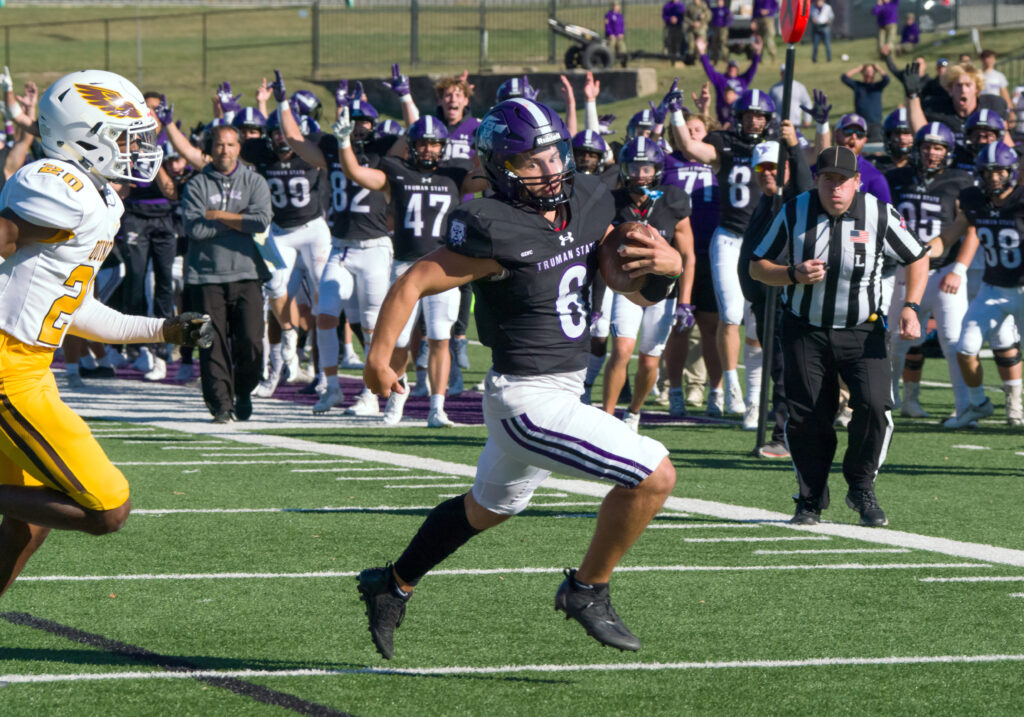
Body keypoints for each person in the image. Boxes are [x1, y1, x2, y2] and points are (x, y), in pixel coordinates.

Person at [353, 98, 681, 658]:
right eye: (530, 162)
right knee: (654, 476)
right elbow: (411, 282)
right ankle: (586, 589)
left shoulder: (587, 197)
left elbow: (630, 285)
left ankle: (392, 584)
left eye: (552, 154)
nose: (549, 169)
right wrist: (378, 360)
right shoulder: (491, 226)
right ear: (502, 169)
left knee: (487, 509)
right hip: (527, 399)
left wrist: (667, 273)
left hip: (565, 384)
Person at [0, 70, 212, 599]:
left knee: (31, 521)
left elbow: (78, 308)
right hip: (8, 366)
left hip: (27, 365)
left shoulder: (102, 200)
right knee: (106, 507)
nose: (138, 147)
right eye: (126, 135)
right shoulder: (58, 183)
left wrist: (164, 329)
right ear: (81, 135)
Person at [750, 145, 929, 527]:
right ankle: (810, 498)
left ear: (857, 183)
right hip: (804, 328)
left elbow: (917, 255)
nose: (835, 188)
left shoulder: (878, 213)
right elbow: (757, 266)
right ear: (816, 180)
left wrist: (911, 306)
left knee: (875, 405)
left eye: (843, 181)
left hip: (864, 328)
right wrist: (791, 274)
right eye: (827, 179)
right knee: (807, 416)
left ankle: (862, 486)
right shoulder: (794, 210)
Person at [334, 111, 486, 427]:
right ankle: (397, 397)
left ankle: (437, 408)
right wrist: (342, 143)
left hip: (445, 267)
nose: (429, 149)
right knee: (399, 341)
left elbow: (488, 176)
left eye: (434, 144)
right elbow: (356, 173)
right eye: (423, 143)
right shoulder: (396, 171)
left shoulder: (455, 174)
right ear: (412, 145)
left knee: (440, 339)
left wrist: (485, 146)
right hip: (405, 266)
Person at [279, 91, 393, 416]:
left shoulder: (380, 149)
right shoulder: (330, 147)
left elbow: (412, 139)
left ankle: (371, 395)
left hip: (374, 246)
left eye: (364, 122)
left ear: (373, 125)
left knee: (371, 325)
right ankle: (331, 388)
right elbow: (293, 138)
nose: (358, 129)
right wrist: (283, 103)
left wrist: (405, 98)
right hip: (340, 246)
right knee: (325, 315)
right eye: (353, 122)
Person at [670, 87, 775, 419]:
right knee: (730, 315)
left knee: (756, 323)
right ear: (739, 117)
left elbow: (813, 156)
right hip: (729, 238)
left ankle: (755, 400)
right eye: (749, 114)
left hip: (764, 241)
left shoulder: (776, 148)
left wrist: (820, 127)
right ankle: (732, 389)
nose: (754, 120)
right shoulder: (725, 145)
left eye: (760, 115)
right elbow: (688, 146)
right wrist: (676, 113)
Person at [181, 124, 273, 423]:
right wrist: (239, 220)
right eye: (220, 145)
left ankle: (244, 390)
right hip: (206, 276)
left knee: (251, 342)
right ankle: (221, 405)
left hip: (247, 272)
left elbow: (260, 221)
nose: (225, 150)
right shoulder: (196, 185)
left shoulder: (254, 181)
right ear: (212, 147)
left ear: (239, 147)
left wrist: (219, 215)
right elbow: (195, 229)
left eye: (231, 145)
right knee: (211, 345)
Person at [602, 137, 695, 429]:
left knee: (649, 361)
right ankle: (606, 416)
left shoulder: (673, 200)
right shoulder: (612, 202)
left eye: (646, 167)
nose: (640, 174)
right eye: (634, 167)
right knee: (621, 351)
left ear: (657, 169)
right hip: (626, 288)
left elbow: (688, 256)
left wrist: (685, 302)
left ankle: (633, 412)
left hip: (663, 290)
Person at [885, 122, 974, 420]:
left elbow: (967, 224)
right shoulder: (897, 178)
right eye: (925, 146)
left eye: (937, 147)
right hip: (906, 270)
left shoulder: (960, 181)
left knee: (953, 341)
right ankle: (889, 401)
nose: (931, 153)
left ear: (947, 151)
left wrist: (958, 266)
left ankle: (965, 407)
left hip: (944, 270)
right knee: (898, 339)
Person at [739, 123, 812, 454]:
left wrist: (794, 149)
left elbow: (804, 186)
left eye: (774, 167)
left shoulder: (793, 202)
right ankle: (788, 433)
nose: (767, 174)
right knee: (778, 371)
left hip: (784, 299)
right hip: (761, 301)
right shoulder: (764, 203)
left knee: (786, 372)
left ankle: (785, 438)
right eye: (762, 168)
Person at [943, 143, 1024, 428]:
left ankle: (1016, 406)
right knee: (964, 349)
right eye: (988, 172)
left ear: (1011, 171)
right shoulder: (974, 200)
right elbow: (953, 234)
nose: (993, 177)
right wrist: (920, 251)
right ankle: (978, 404)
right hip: (991, 289)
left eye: (999, 171)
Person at [697, 34, 763, 127]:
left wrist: (757, 52)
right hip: (723, 118)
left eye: (734, 67)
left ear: (737, 69)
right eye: (730, 67)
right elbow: (709, 69)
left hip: (739, 118)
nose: (732, 69)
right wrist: (702, 52)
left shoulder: (743, 80)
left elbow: (753, 68)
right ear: (727, 68)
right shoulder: (720, 79)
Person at [841, 64, 890, 142]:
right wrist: (857, 69)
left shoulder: (877, 86)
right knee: (860, 148)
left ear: (874, 73)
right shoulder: (858, 86)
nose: (869, 74)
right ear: (863, 73)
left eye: (871, 71)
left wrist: (879, 68)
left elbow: (887, 79)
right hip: (860, 124)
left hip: (875, 123)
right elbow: (844, 78)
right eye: (866, 71)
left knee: (876, 148)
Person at [684, 0, 711, 66]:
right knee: (691, 45)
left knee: (700, 45)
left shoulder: (703, 6)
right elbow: (685, 17)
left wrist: (700, 22)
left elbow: (708, 16)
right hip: (691, 28)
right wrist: (692, 23)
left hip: (701, 28)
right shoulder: (690, 6)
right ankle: (691, 61)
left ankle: (702, 61)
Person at [605, 2, 628, 68]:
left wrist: (622, 33)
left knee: (622, 47)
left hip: (619, 36)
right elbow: (607, 26)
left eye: (617, 6)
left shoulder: (620, 16)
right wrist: (610, 34)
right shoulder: (608, 15)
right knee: (612, 44)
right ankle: (610, 62)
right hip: (612, 36)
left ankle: (623, 63)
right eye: (614, 6)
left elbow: (622, 26)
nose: (615, 7)